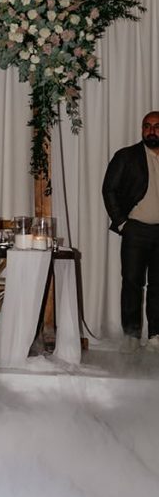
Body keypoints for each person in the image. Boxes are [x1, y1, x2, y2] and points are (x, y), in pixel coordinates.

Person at [102, 111, 159, 352]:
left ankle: (156, 336)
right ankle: (132, 337)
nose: (151, 131)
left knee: (158, 286)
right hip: (135, 231)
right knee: (132, 284)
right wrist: (123, 223)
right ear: (141, 130)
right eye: (146, 126)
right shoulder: (126, 156)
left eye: (156, 127)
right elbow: (109, 190)